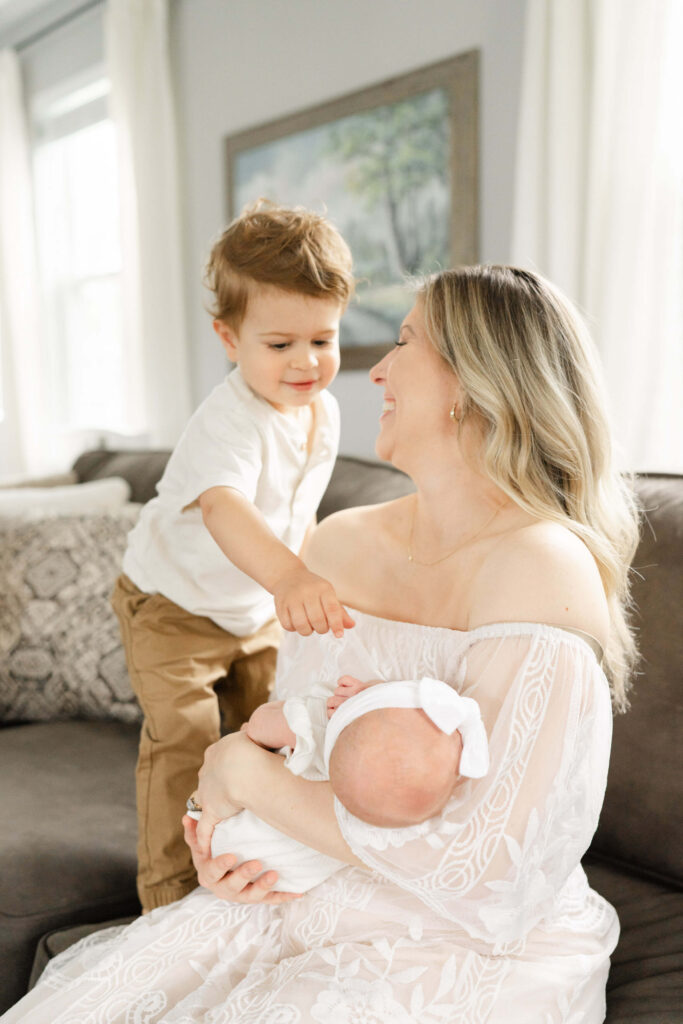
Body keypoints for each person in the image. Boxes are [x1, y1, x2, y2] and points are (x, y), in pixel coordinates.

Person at [4, 266, 640, 1023]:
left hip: (461, 942)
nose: (375, 368)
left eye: (405, 341)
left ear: (475, 383)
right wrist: (222, 834)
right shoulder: (336, 546)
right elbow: (297, 740)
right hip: (292, 892)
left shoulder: (541, 562)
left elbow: (491, 870)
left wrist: (240, 769)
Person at [110, 200, 356, 913]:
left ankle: (248, 862)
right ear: (229, 337)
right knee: (187, 737)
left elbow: (297, 511)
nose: (306, 362)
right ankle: (167, 894)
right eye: (279, 344)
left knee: (266, 741)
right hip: (172, 606)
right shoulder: (228, 420)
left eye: (323, 339)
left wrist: (307, 582)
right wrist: (290, 577)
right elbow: (228, 508)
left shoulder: (323, 412)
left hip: (252, 614)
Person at [186, 670, 490, 892]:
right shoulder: (376, 803)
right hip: (295, 878)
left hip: (232, 837)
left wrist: (302, 715)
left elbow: (257, 727)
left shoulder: (312, 726)